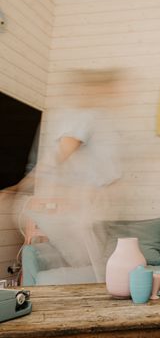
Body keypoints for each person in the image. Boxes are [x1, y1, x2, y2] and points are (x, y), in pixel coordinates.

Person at [12, 68, 124, 282]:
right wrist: (22, 185)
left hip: (90, 202)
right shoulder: (84, 118)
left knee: (90, 260)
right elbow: (60, 154)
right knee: (89, 261)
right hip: (81, 202)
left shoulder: (97, 119)